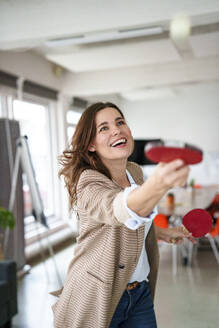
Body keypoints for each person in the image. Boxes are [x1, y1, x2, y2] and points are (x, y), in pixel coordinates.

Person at [52, 102, 194, 328]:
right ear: (90, 144)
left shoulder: (135, 171)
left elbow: (129, 225)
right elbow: (117, 209)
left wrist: (162, 232)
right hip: (99, 294)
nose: (117, 130)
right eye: (104, 128)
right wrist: (159, 183)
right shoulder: (88, 181)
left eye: (120, 122)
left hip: (140, 293)